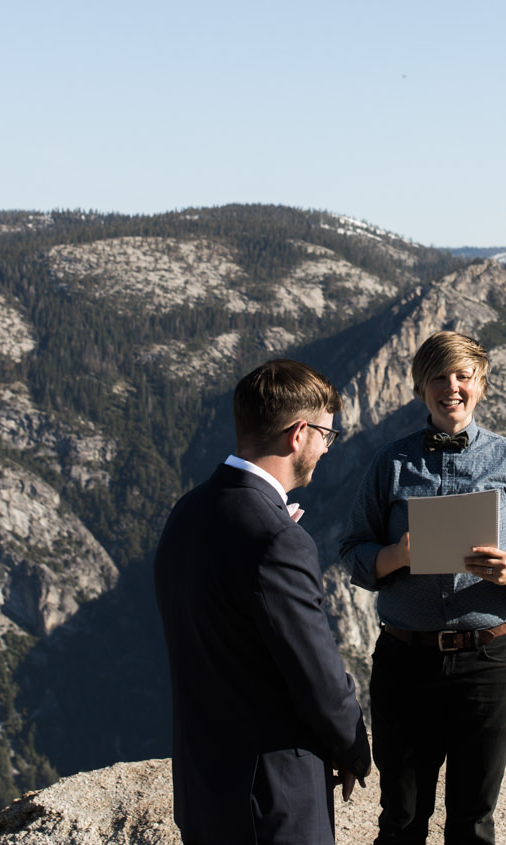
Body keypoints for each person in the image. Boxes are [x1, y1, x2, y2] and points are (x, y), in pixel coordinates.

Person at [339, 331, 506, 845]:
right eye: (439, 376)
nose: (452, 387)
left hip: (490, 663)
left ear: (481, 385)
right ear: (420, 387)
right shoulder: (390, 464)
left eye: (464, 376)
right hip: (405, 664)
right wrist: (396, 556)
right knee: (400, 819)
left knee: (473, 820)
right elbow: (352, 552)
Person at [154, 358, 372, 845]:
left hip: (204, 788)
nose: (324, 448)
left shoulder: (188, 513)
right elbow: (316, 672)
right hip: (270, 800)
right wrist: (354, 747)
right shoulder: (275, 539)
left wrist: (271, 542)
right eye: (326, 436)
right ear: (299, 433)